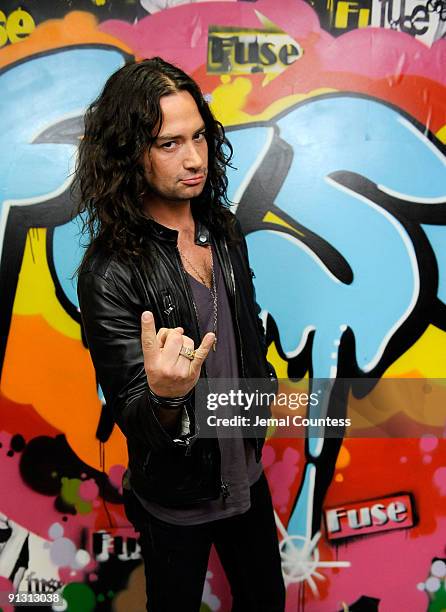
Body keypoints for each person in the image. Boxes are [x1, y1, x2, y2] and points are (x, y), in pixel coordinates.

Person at [74, 57, 285, 612]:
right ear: (128, 153)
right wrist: (166, 396)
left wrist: (262, 391)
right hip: (175, 497)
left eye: (198, 137)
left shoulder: (221, 226)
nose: (193, 159)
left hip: (247, 475)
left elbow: (244, 328)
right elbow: (134, 415)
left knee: (267, 601)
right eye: (168, 144)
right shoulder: (109, 270)